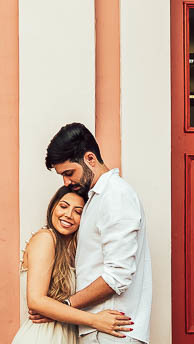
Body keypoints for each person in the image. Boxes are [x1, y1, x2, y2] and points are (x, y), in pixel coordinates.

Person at [34, 123, 152, 343]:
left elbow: (117, 276)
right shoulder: (96, 198)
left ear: (90, 159)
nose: (67, 182)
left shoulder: (115, 196)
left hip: (112, 330)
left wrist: (64, 306)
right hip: (101, 329)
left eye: (69, 173)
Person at [12, 186, 134, 343]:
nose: (68, 215)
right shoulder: (45, 239)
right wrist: (95, 320)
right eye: (63, 206)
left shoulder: (74, 252)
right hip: (43, 337)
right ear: (53, 207)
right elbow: (36, 301)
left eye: (78, 212)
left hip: (67, 335)